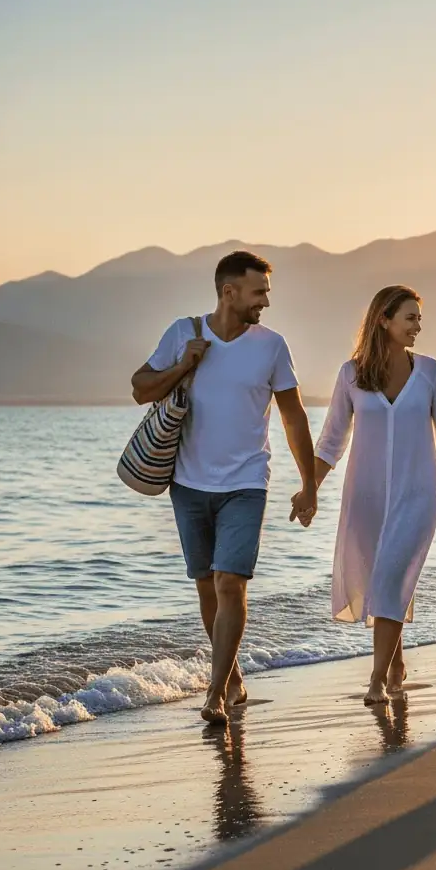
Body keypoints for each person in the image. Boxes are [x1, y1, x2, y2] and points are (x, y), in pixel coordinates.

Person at [131, 250, 316, 724]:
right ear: (229, 292)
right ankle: (230, 675)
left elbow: (293, 416)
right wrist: (183, 365)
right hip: (188, 483)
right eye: (259, 292)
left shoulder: (272, 345)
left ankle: (214, 694)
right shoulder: (183, 333)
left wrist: (309, 483)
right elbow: (140, 388)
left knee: (230, 582)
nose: (266, 302)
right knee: (207, 588)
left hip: (247, 482)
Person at [313, 285, 436, 706]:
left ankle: (376, 679)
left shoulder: (429, 372)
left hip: (418, 493)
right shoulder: (350, 375)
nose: (418, 326)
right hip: (364, 496)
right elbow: (331, 440)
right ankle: (396, 662)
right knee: (378, 580)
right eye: (410, 317)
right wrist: (308, 489)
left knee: (390, 578)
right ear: (383, 319)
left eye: (419, 318)